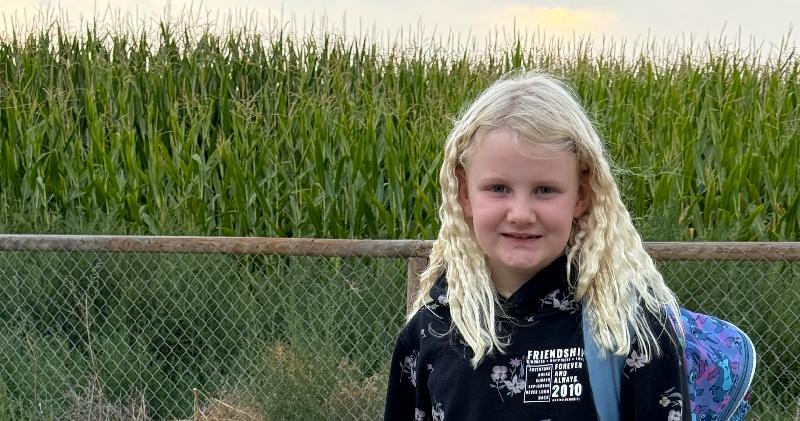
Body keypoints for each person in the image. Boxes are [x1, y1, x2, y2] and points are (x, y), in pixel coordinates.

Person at [384, 72, 690, 420]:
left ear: (582, 195)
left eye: (545, 190)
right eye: (498, 188)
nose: (521, 214)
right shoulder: (430, 331)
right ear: (464, 192)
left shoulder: (629, 329)